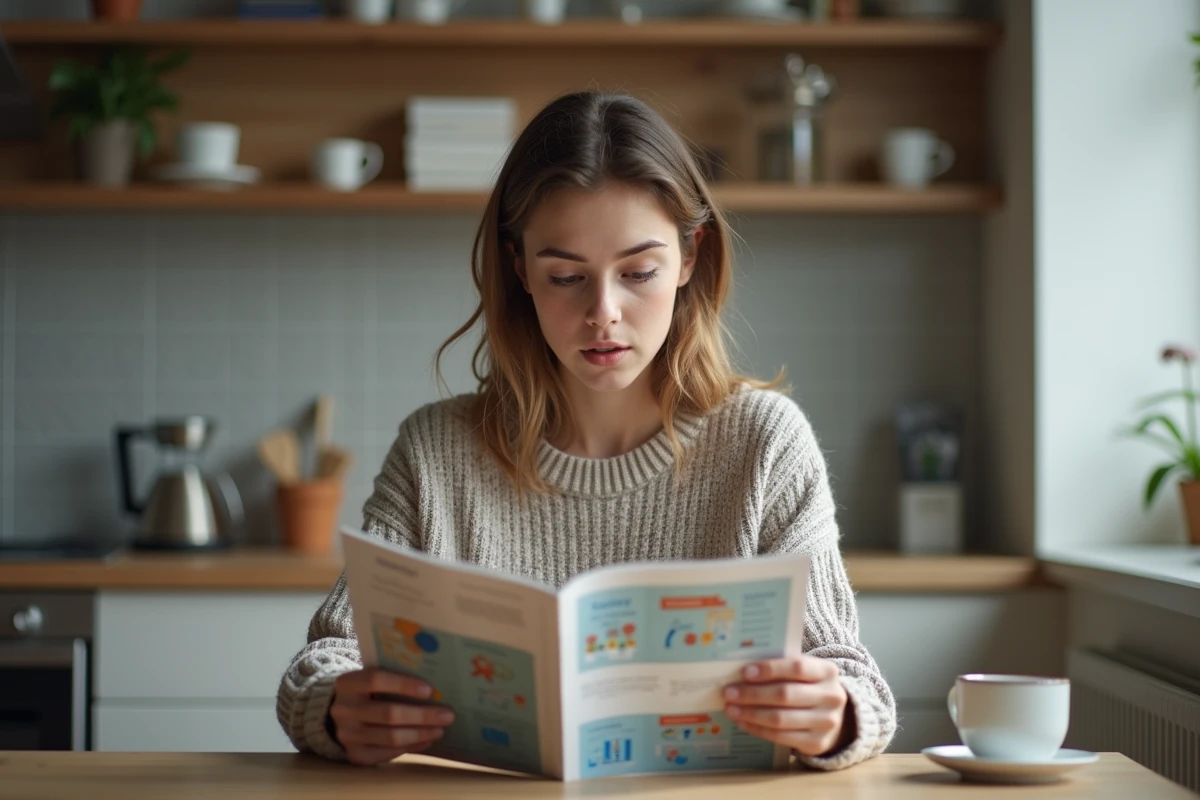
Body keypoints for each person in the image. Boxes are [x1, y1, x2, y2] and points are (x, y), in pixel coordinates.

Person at [276, 90, 896, 772]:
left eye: (639, 272)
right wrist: (337, 707)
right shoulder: (435, 453)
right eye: (566, 276)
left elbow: (853, 675)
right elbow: (325, 659)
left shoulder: (765, 444)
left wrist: (834, 716)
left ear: (692, 257)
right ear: (520, 271)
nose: (604, 313)